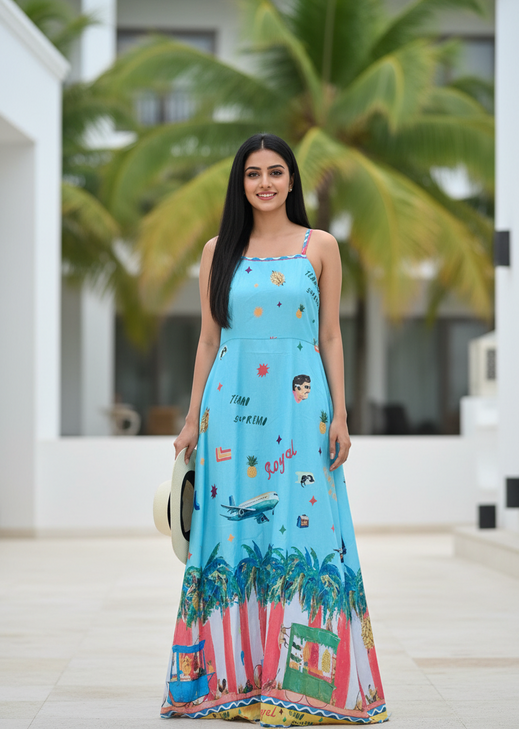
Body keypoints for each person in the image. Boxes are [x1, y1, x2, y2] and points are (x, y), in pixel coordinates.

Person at [161, 133, 388, 724]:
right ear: (240, 183)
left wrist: (341, 414)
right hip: (230, 413)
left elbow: (330, 335)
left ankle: (306, 689)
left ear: (292, 180)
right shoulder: (218, 251)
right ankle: (228, 685)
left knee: (308, 535)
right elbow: (208, 340)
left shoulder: (321, 246)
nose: (265, 182)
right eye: (253, 173)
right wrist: (191, 420)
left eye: (276, 171)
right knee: (229, 541)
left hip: (301, 409)